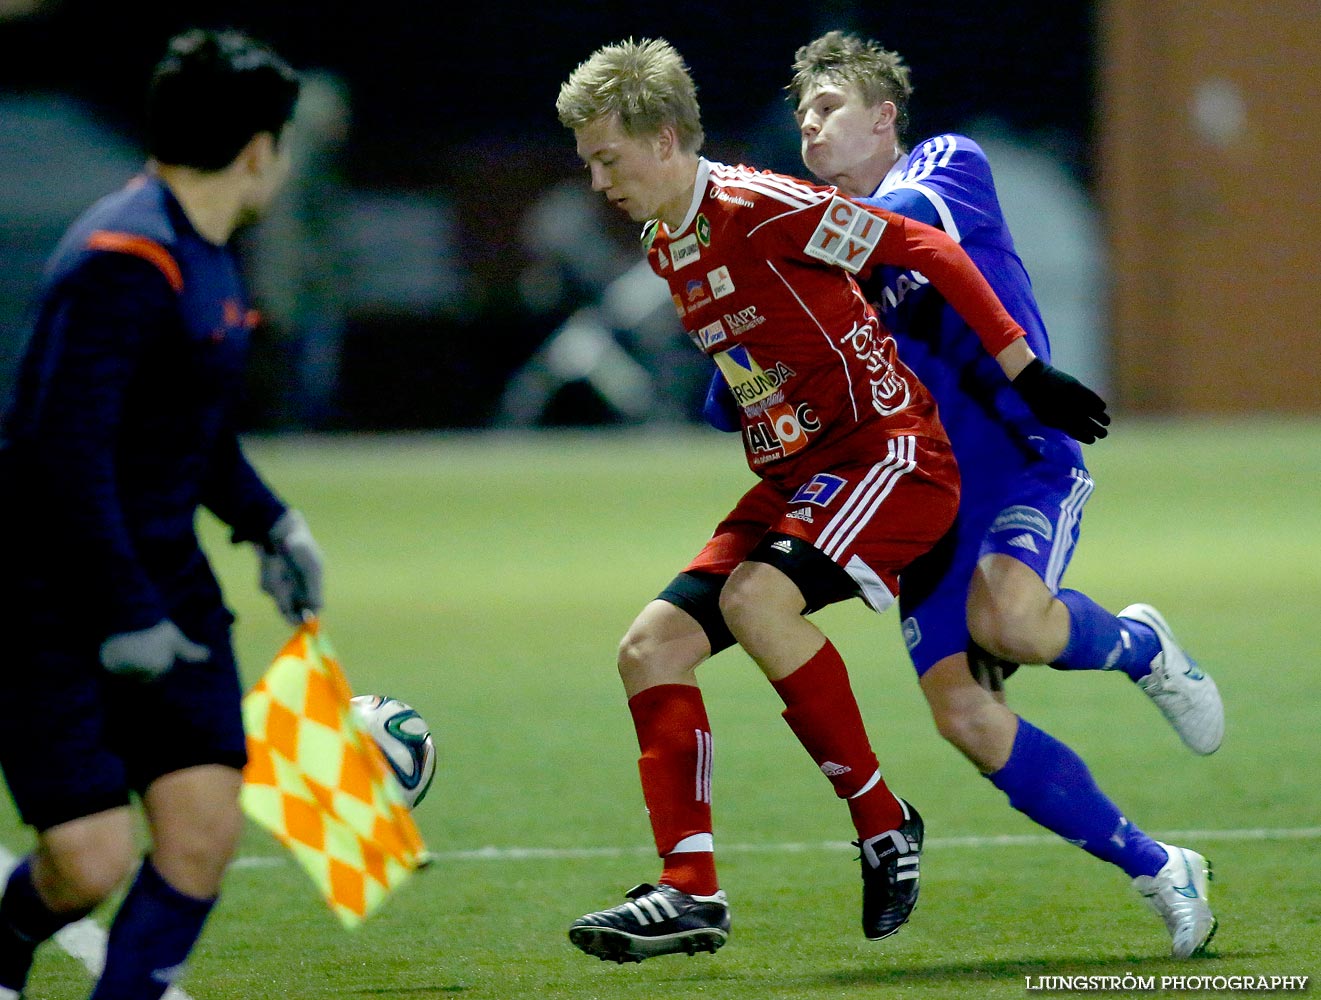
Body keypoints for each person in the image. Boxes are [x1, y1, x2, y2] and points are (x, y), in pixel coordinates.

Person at [555, 37, 1107, 964]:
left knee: (753, 600)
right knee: (650, 648)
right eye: (589, 164)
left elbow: (922, 245)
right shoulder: (666, 241)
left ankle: (883, 822)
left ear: (663, 140)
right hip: (801, 477)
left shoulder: (761, 207)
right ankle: (689, 890)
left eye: (608, 159)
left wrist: (1024, 368)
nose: (598, 181)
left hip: (889, 458)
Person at [730, 29, 1216, 958]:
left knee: (1011, 622)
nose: (810, 127)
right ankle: (1160, 867)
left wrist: (779, 247)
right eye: (801, 115)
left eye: (828, 108)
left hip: (1020, 452)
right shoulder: (815, 249)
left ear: (883, 117)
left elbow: (901, 227)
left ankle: (1141, 644)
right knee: (961, 715)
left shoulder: (946, 165)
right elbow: (753, 379)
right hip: (922, 494)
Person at [0, 29, 322, 999]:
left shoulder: (206, 251)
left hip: (162, 581)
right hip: (50, 590)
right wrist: (126, 610)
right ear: (260, 149)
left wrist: (271, 523)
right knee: (91, 859)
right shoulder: (124, 255)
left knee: (200, 832)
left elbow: (194, 435)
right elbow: (63, 454)